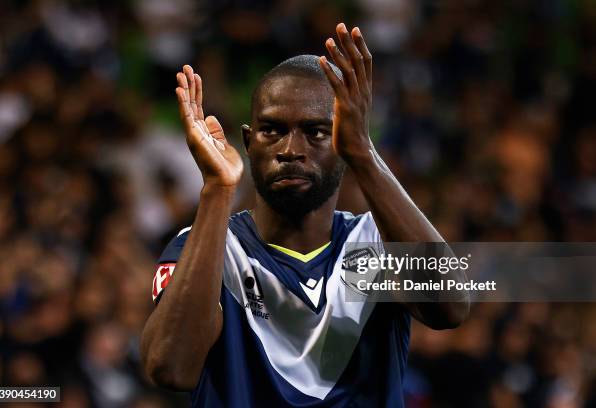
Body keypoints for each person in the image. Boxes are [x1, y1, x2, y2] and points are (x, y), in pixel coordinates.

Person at [140, 23, 469, 407]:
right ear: (248, 142)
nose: (290, 149)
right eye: (272, 130)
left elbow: (450, 307)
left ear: (341, 139)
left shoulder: (379, 243)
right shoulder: (204, 247)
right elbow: (170, 369)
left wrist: (363, 153)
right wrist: (217, 190)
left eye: (315, 132)